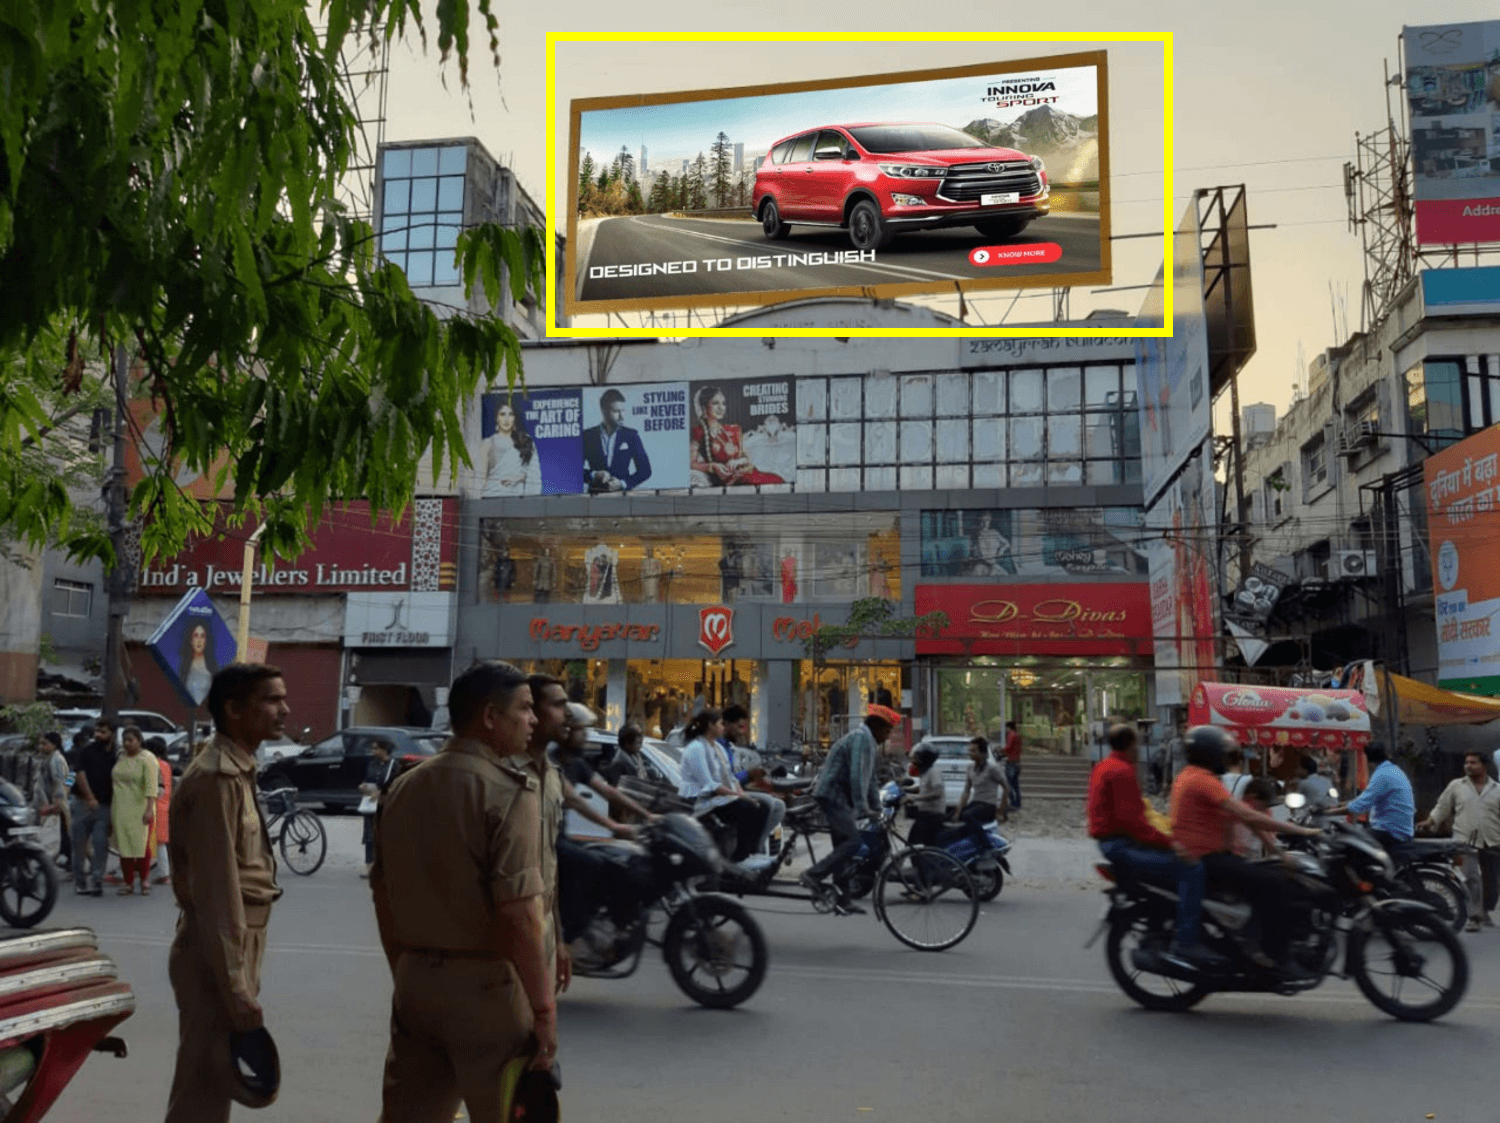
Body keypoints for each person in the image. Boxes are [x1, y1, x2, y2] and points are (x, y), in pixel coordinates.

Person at [370, 661, 558, 1121]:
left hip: (416, 982)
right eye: (525, 709)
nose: (532, 720)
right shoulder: (510, 792)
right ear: (491, 717)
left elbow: (382, 896)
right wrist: (544, 1009)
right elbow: (520, 914)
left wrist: (408, 970)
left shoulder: (403, 787)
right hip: (486, 989)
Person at [166, 664, 288, 1123]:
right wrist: (235, 984)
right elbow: (218, 892)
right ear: (234, 710)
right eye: (271, 700)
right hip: (216, 952)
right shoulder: (217, 779)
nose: (284, 710)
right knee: (203, 1090)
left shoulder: (238, 769)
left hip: (234, 946)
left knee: (212, 1086)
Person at [1171, 726, 1321, 977]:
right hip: (1206, 859)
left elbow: (1244, 818)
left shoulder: (1195, 776)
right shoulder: (1201, 780)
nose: (1224, 760)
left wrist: (1278, 853)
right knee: (1274, 885)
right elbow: (1248, 814)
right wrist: (1301, 832)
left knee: (1272, 874)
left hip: (1214, 855)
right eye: (1221, 754)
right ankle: (1277, 957)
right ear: (1209, 755)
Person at [1088, 723, 1215, 968]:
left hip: (1113, 842)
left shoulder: (1105, 766)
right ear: (1130, 745)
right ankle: (1187, 941)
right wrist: (1170, 844)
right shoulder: (1121, 771)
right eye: (1137, 744)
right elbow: (1134, 822)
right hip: (1120, 844)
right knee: (1191, 868)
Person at [798, 707, 900, 913]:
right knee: (853, 842)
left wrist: (878, 809)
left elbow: (870, 779)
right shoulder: (861, 739)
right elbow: (856, 777)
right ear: (877, 728)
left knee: (843, 849)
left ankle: (843, 900)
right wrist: (863, 808)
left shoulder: (869, 743)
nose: (888, 736)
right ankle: (813, 874)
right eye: (887, 731)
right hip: (833, 795)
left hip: (841, 798)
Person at [1420, 751, 1500, 933]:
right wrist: (1431, 821)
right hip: (1464, 840)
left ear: (1484, 766)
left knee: (1492, 883)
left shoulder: (1497, 790)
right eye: (1466, 762)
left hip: (1492, 840)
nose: (1468, 766)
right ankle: (1475, 917)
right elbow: (1442, 806)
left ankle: (1485, 909)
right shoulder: (1456, 786)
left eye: (1473, 762)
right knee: (1471, 879)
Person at [678, 709, 767, 863]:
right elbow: (709, 785)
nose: (723, 727)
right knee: (748, 808)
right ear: (710, 726)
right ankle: (739, 858)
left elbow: (730, 778)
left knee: (761, 806)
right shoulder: (696, 748)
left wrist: (742, 794)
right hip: (699, 800)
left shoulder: (717, 748)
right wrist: (739, 796)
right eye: (720, 724)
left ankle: (749, 853)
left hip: (718, 797)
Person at [1327, 740, 1414, 852]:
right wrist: (1337, 805)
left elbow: (1359, 806)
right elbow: (1364, 799)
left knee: (1349, 842)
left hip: (1390, 831)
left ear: (1368, 760)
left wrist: (1328, 813)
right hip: (1396, 829)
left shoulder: (1382, 775)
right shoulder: (1393, 770)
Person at [690, 385, 784, 486]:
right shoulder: (699, 432)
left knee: (778, 480)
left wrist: (737, 462)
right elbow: (692, 463)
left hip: (746, 474)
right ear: (705, 407)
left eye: (723, 403)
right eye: (715, 403)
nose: (721, 408)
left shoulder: (732, 430)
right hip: (730, 481)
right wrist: (712, 466)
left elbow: (747, 458)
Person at [70, 719, 117, 897]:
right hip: (82, 803)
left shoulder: (116, 754)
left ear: (112, 733)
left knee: (100, 844)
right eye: (97, 731)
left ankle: (97, 880)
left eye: (103, 732)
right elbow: (75, 773)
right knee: (79, 846)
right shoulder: (85, 751)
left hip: (104, 806)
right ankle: (80, 882)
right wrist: (87, 796)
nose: (98, 735)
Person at [111, 726, 159, 896]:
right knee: (124, 846)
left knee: (141, 845)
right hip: (120, 807)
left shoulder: (147, 758)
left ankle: (144, 880)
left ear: (139, 740)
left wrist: (149, 809)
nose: (127, 744)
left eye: (130, 740)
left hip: (141, 808)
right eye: (124, 740)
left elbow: (152, 786)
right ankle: (128, 882)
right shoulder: (120, 757)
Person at [582, 388, 652, 493]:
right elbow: (573, 470)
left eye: (623, 410)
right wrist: (594, 475)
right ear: (603, 410)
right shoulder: (587, 436)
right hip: (595, 497)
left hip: (623, 497)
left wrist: (623, 484)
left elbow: (645, 470)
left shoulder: (631, 435)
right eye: (616, 411)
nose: (621, 416)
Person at [482, 398, 542, 497]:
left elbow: (533, 474)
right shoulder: (488, 442)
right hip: (491, 495)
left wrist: (517, 478)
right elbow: (479, 478)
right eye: (502, 414)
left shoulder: (525, 441)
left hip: (517, 499)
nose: (506, 419)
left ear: (514, 418)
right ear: (497, 418)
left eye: (510, 414)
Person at [955, 737, 1009, 841]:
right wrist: (958, 810)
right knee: (952, 817)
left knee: (967, 816)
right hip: (975, 803)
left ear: (982, 753)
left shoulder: (992, 768)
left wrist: (1000, 811)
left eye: (973, 751)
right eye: (970, 750)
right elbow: (966, 791)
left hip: (988, 805)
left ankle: (986, 845)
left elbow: (1006, 788)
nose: (970, 753)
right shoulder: (970, 768)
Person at [358, 739, 399, 879]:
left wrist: (382, 793)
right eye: (373, 749)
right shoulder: (372, 763)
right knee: (369, 836)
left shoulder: (393, 765)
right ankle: (370, 866)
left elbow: (397, 785)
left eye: (376, 749)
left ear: (384, 750)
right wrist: (363, 786)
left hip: (385, 804)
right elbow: (366, 779)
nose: (374, 752)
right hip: (370, 802)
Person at [36, 732, 71, 873]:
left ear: (54, 745)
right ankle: (69, 861)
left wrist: (57, 802)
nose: (41, 747)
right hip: (59, 801)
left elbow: (58, 782)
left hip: (58, 802)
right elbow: (70, 777)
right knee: (63, 833)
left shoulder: (55, 760)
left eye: (44, 744)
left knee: (58, 833)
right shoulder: (52, 758)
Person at [902, 745, 947, 848]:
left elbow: (937, 793)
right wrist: (906, 790)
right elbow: (923, 787)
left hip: (933, 816)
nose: (913, 761)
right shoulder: (925, 772)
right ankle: (921, 862)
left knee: (913, 844)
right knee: (917, 843)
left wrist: (915, 798)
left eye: (916, 758)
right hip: (925, 814)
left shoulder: (934, 772)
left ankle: (920, 863)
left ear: (924, 759)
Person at [178, 620, 219, 706]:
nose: (199, 640)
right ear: (191, 640)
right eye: (196, 636)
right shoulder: (184, 666)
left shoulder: (212, 666)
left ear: (206, 641)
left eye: (202, 636)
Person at [151, 745, 173, 886]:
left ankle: (163, 873)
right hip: (164, 804)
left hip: (154, 805)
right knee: (160, 841)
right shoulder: (166, 765)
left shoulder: (154, 765)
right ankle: (163, 873)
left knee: (158, 842)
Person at [1002, 721, 1023, 811]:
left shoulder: (1011, 735)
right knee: (1015, 784)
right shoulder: (1017, 735)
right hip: (1017, 762)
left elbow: (1008, 747)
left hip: (1011, 762)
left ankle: (1013, 803)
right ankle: (1017, 803)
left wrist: (1001, 750)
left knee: (1009, 784)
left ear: (1008, 727)